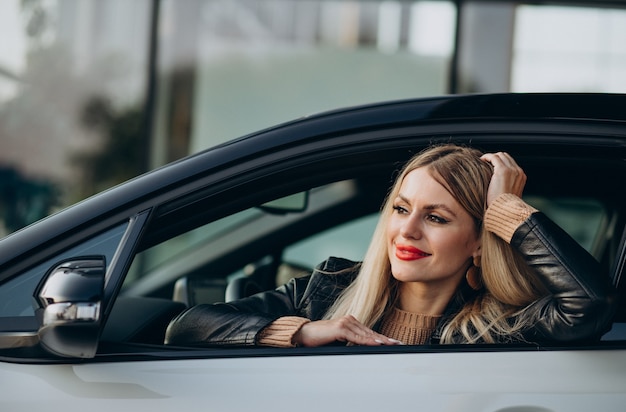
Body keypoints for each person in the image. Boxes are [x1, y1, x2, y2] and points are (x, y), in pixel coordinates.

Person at [165, 144, 616, 347]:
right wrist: (302, 331)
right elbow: (185, 326)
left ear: (479, 242)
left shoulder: (500, 327)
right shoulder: (323, 292)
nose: (408, 231)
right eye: (401, 209)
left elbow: (590, 304)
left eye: (436, 217)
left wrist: (508, 209)